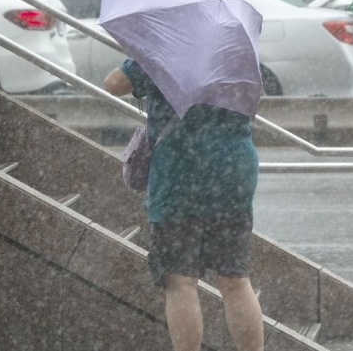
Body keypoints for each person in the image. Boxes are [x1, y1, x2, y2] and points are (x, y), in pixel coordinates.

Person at [105, 59, 264, 351]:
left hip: (181, 175)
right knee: (235, 278)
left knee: (180, 281)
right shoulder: (235, 48)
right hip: (232, 172)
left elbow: (114, 83)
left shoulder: (167, 47)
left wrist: (142, 57)